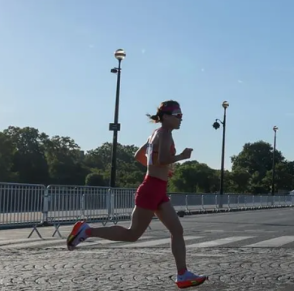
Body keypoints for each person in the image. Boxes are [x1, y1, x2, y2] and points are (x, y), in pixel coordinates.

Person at [66, 100, 208, 288]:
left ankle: (182, 274)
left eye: (181, 115)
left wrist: (161, 170)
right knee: (133, 234)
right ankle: (87, 230)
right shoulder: (165, 134)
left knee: (177, 230)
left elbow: (139, 156)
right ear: (165, 117)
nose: (181, 119)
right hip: (151, 189)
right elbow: (163, 159)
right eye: (178, 115)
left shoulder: (155, 134)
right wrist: (181, 157)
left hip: (157, 189)